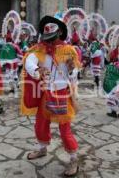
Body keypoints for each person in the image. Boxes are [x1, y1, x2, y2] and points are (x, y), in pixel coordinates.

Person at [21, 16, 81, 177]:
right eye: (47, 38)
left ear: (60, 33)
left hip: (62, 94)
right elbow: (29, 60)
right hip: (46, 92)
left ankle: (74, 158)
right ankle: (42, 148)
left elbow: (75, 74)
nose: (49, 42)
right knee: (40, 123)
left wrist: (71, 69)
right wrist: (36, 70)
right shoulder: (39, 49)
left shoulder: (69, 50)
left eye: (52, 38)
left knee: (65, 130)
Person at [103, 47, 119, 118]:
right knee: (118, 96)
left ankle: (114, 112)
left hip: (112, 85)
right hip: (118, 84)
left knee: (112, 97)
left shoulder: (110, 65)